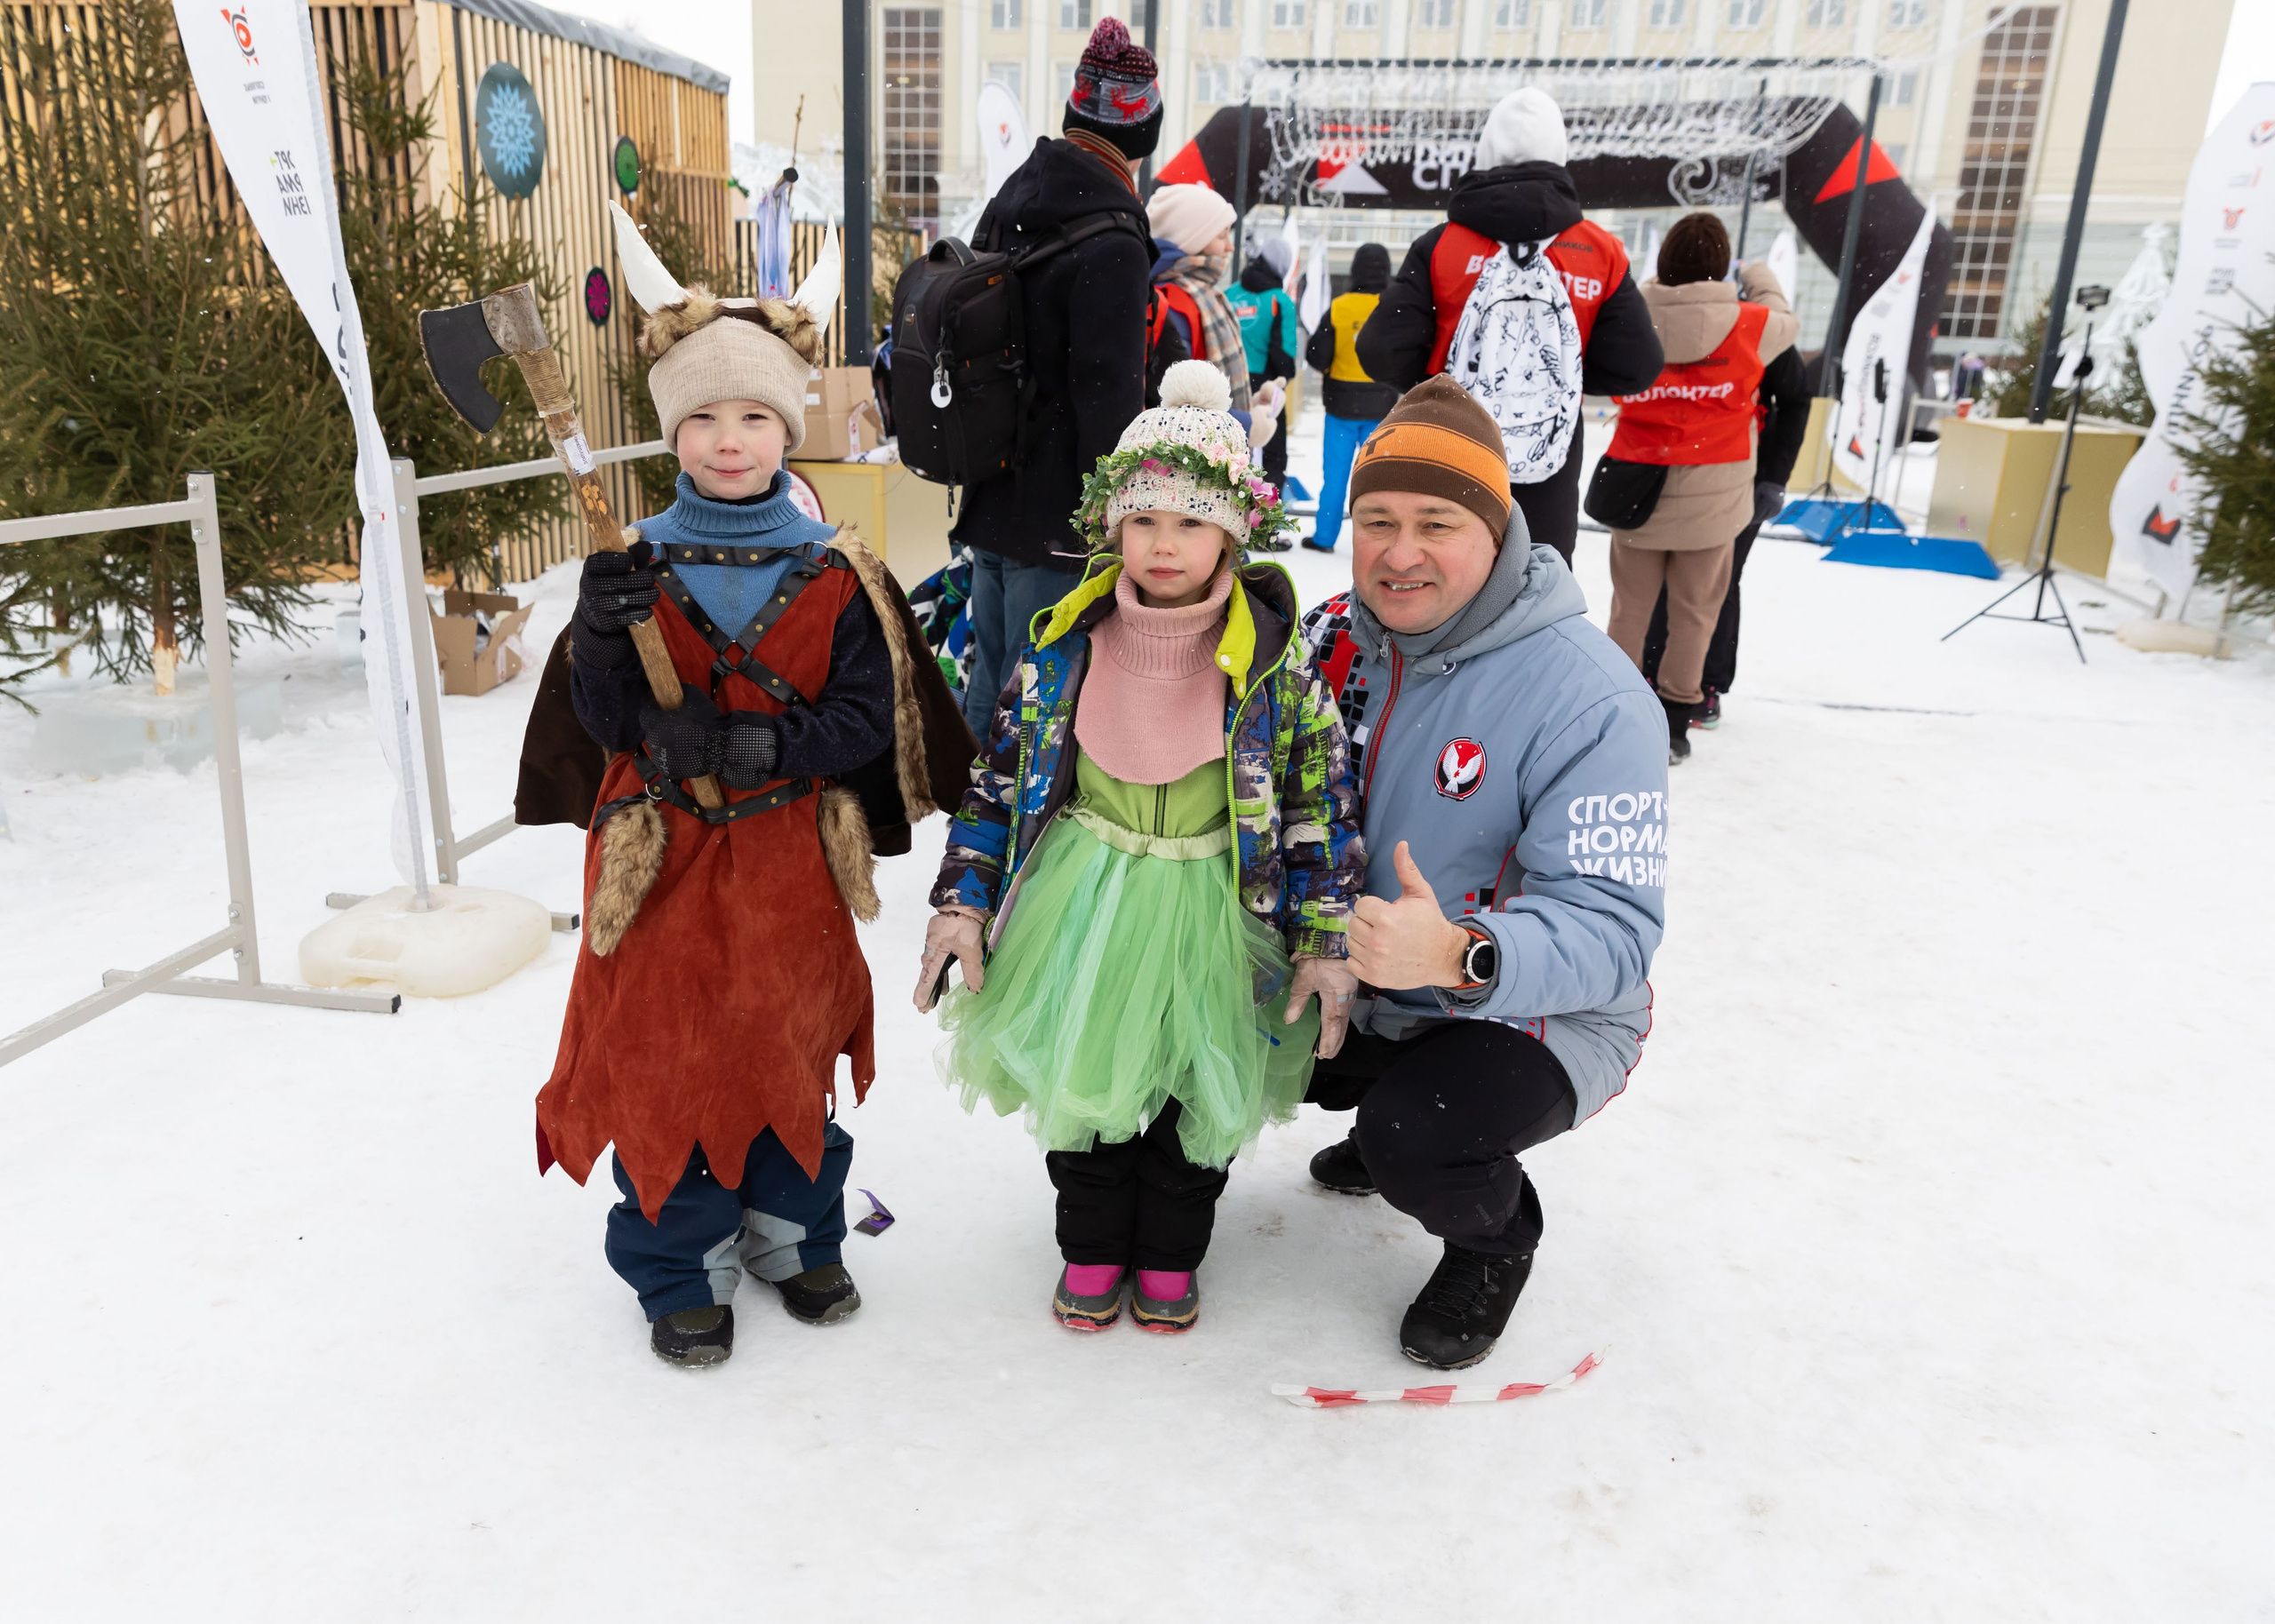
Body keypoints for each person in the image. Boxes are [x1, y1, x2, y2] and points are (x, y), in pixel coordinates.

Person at [539, 275, 962, 1369]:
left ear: (789, 423)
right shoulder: (630, 562)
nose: (730, 442)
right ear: (672, 428)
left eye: (756, 416)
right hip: (661, 850)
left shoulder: (837, 569)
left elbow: (869, 718)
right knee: (670, 1048)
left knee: (786, 1036)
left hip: (788, 853)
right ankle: (680, 1266)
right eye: (704, 419)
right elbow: (598, 717)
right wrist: (600, 647)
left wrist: (782, 745)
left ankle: (796, 1233)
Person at [919, 360, 1364, 1337]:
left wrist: (1323, 932)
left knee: (1192, 1095)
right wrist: (963, 899)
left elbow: (1318, 809)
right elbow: (998, 784)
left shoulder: (1277, 667)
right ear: (1111, 524)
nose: (1166, 545)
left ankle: (1168, 1253)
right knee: (1081, 1083)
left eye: (1193, 522)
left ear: (1233, 534)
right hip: (1083, 901)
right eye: (1146, 519)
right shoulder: (1064, 646)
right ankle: (1089, 1243)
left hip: (1219, 906)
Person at [1297, 376, 1667, 1371]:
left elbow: (1616, 932)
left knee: (1417, 1131)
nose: (1399, 552)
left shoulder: (1590, 696)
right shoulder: (1332, 639)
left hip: (1535, 1008)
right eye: (1376, 520)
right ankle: (1379, 1132)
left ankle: (1490, 1235)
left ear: (1496, 533)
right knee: (1183, 1007)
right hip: (1367, 974)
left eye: (1435, 523)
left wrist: (1465, 949)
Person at [950, 16, 1161, 742]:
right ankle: (1010, 851)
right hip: (1059, 517)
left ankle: (968, 838)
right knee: (1038, 703)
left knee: (990, 683)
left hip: (991, 488)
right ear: (1143, 133)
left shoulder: (1015, 199)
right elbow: (1108, 394)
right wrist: (1116, 514)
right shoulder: (1111, 233)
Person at [1353, 88, 1664, 568]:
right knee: (1537, 587)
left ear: (1487, 151)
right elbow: (1637, 366)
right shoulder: (1601, 252)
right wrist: (1562, 377)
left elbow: (1379, 350)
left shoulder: (1441, 246)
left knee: (1444, 579)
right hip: (1552, 457)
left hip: (1449, 444)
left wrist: (1443, 379)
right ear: (1559, 153)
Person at [1599, 214, 1797, 763]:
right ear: (1719, 266)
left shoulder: (1636, 318)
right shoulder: (1752, 324)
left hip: (1639, 489)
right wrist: (1755, 271)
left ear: (1663, 262)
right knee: (1694, 617)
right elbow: (1788, 317)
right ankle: (1673, 727)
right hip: (1717, 497)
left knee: (1629, 612)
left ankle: (1612, 718)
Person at [1640, 337, 1810, 729]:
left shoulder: (1764, 328)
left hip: (1743, 477)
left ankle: (1702, 686)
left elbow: (1796, 399)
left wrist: (1774, 477)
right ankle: (1653, 676)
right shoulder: (1671, 313)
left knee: (1718, 580)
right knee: (1666, 573)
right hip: (1669, 466)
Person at [1301, 241, 1400, 553]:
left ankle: (1324, 538)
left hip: (1341, 407)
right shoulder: (1393, 305)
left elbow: (1317, 357)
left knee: (1335, 478)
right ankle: (1379, 541)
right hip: (1383, 408)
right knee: (1378, 480)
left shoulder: (1340, 307)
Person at [1230, 237, 1300, 491]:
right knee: (1272, 453)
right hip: (1266, 385)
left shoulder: (1230, 293)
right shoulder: (1279, 300)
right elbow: (1284, 352)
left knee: (1227, 450)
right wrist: (1283, 377)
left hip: (1227, 385)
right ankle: (1266, 517)